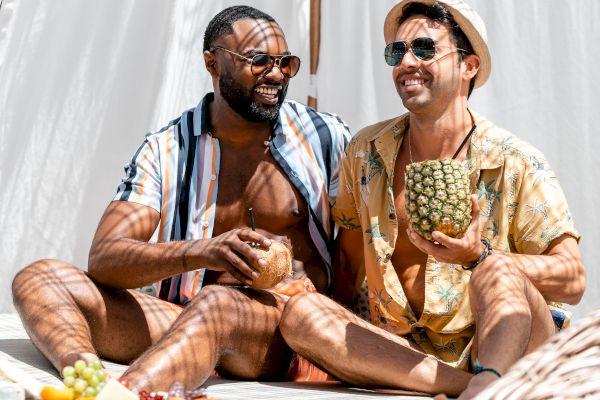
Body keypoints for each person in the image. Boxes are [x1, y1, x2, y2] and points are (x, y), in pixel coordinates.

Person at [12, 5, 350, 392]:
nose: (275, 74)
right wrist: (204, 251)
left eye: (285, 62)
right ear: (212, 62)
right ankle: (84, 376)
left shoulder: (325, 137)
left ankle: (120, 395)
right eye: (258, 61)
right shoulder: (167, 148)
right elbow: (105, 258)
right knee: (39, 278)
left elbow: (361, 249)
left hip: (286, 335)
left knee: (217, 303)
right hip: (189, 318)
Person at [279, 0, 586, 399]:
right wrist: (336, 334)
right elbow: (349, 258)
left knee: (496, 271)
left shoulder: (515, 160)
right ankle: (469, 388)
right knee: (301, 313)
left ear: (468, 66)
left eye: (425, 49)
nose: (407, 61)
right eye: (397, 52)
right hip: (410, 354)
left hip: (510, 347)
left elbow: (574, 279)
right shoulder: (364, 150)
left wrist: (478, 257)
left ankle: (487, 380)